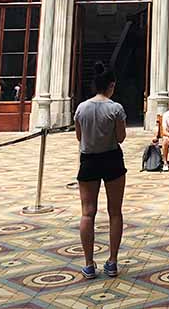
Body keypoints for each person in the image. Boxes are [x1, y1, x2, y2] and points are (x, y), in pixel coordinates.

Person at [74, 61, 127, 279]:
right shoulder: (115, 108)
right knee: (115, 212)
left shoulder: (81, 108)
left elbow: (79, 137)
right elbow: (121, 137)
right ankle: (112, 261)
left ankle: (88, 264)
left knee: (88, 213)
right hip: (112, 159)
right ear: (111, 85)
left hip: (88, 160)